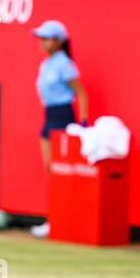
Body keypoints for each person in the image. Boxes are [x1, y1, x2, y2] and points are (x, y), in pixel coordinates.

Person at [32, 19, 88, 240]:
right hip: (49, 118)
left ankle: (64, 221)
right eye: (41, 38)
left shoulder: (65, 64)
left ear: (58, 41)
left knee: (62, 172)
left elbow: (82, 94)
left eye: (46, 38)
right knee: (50, 171)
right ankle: (54, 219)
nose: (42, 42)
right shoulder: (45, 64)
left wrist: (82, 124)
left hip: (64, 117)